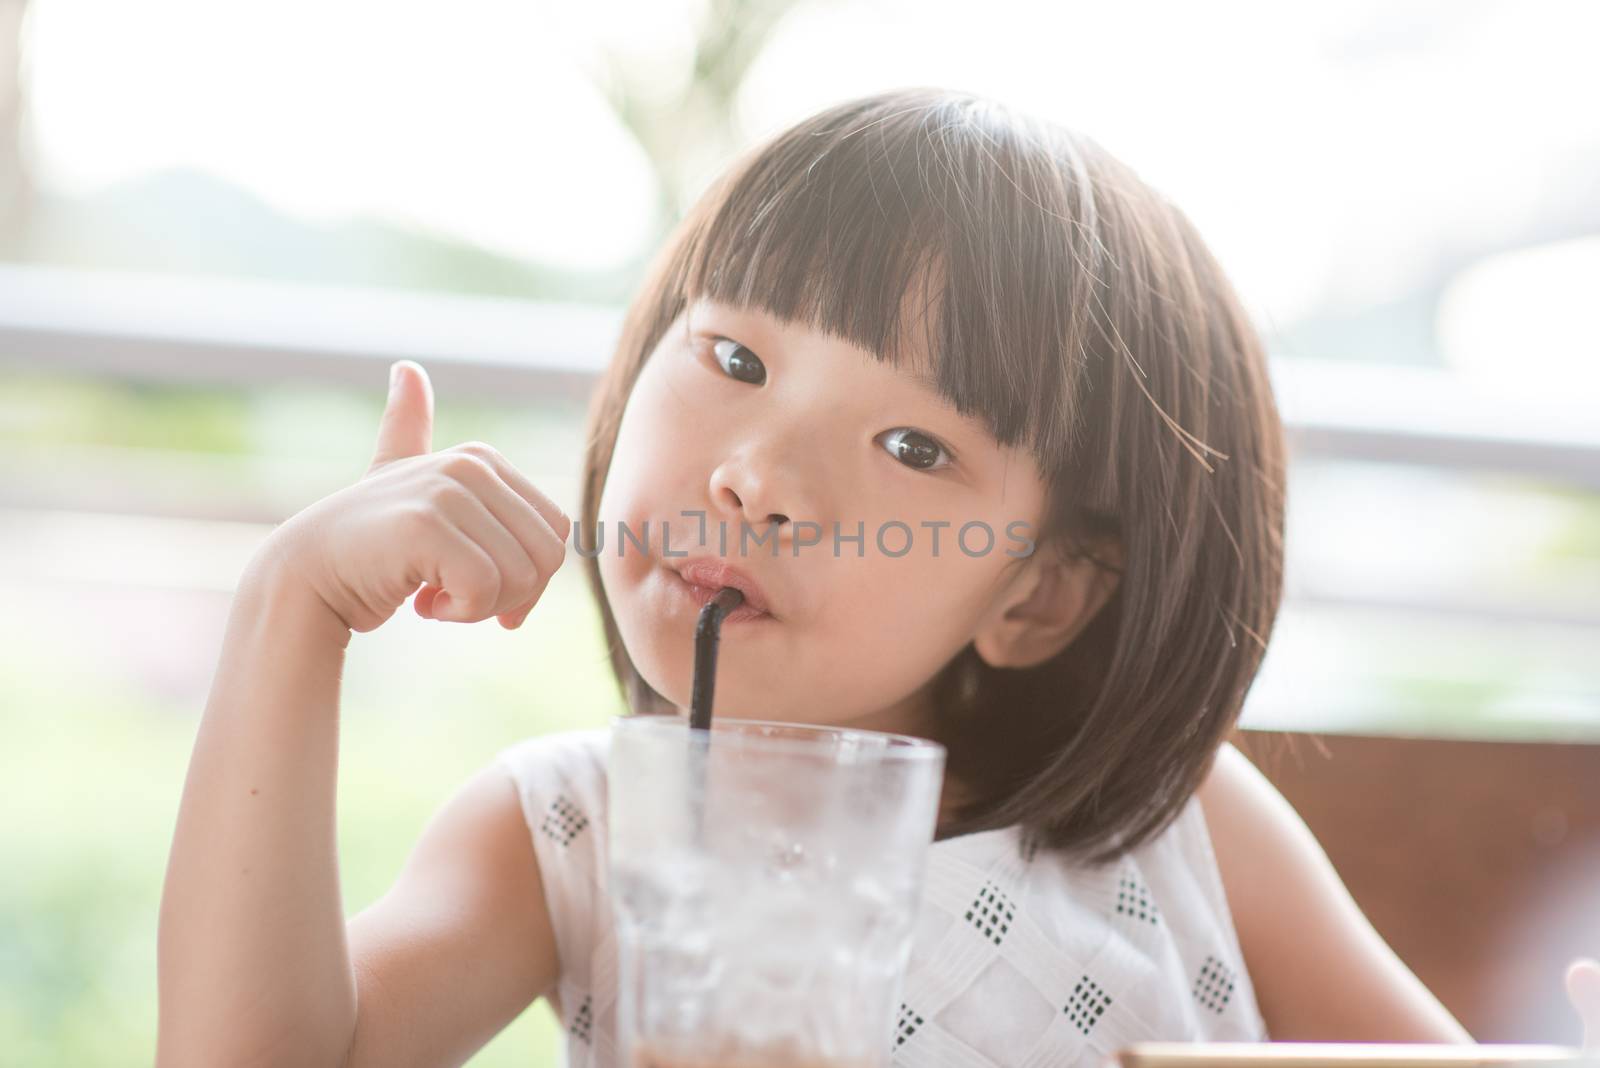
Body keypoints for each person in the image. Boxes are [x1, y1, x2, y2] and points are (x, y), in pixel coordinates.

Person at [155, 88, 1581, 1067]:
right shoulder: (572, 833)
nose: (758, 473)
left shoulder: (1178, 826)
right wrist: (293, 610)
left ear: (1039, 596)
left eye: (911, 442)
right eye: (734, 359)